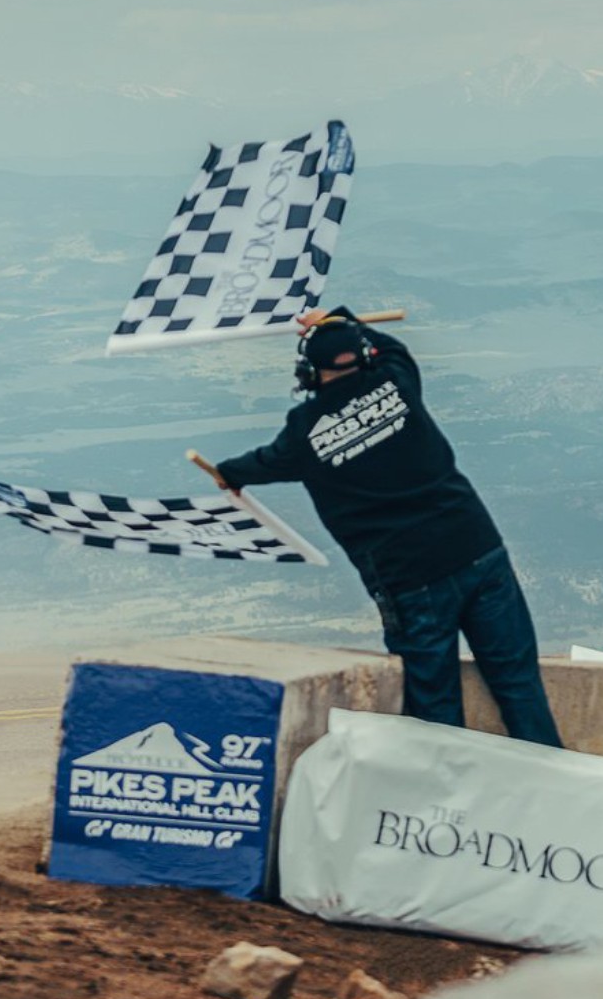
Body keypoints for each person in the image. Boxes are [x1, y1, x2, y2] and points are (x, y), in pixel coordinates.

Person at [212, 306, 563, 747]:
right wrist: (340, 317)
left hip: (412, 581)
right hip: (477, 548)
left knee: (435, 708)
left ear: (308, 372)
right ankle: (552, 781)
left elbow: (264, 463)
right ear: (364, 355)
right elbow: (393, 348)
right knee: (517, 684)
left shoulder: (305, 431)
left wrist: (227, 472)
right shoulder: (396, 382)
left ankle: (448, 800)